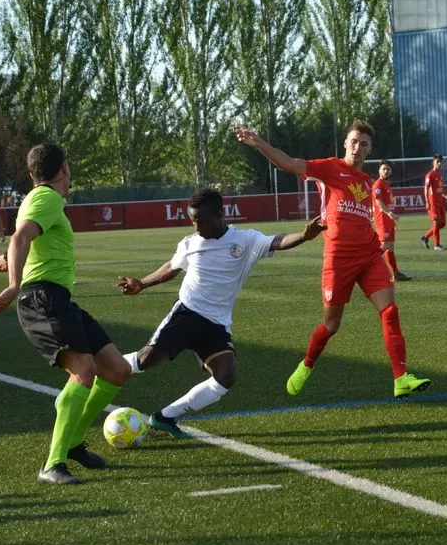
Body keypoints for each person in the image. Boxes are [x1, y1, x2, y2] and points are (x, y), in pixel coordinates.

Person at [235, 120, 432, 399]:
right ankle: (307, 364)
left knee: (389, 311)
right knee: (331, 325)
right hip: (338, 259)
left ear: (369, 150)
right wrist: (260, 144)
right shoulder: (328, 168)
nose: (358, 147)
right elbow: (288, 163)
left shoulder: (366, 180)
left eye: (364, 144)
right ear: (345, 144)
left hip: (369, 254)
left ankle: (401, 378)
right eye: (354, 141)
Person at [116, 187, 327, 437]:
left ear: (220, 214)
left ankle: (164, 417)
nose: (196, 227)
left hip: (216, 324)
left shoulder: (245, 240)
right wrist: (142, 283)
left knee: (225, 376)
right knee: (147, 360)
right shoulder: (191, 243)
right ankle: (102, 368)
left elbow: (277, 241)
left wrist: (304, 235)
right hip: (187, 314)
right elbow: (171, 268)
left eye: (201, 221)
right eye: (193, 221)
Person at [0, 144, 131, 485]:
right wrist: (12, 284)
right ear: (63, 168)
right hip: (42, 299)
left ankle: (73, 443)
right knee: (83, 370)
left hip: (58, 298)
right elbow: (21, 236)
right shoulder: (48, 198)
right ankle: (54, 463)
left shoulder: (40, 201)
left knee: (117, 370)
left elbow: (27, 240)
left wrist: (10, 261)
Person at [372, 159, 412, 282]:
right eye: (383, 169)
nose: (386, 171)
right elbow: (378, 201)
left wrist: (392, 217)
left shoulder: (386, 184)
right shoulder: (378, 184)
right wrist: (389, 213)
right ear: (379, 170)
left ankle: (395, 273)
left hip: (388, 220)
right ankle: (368, 267)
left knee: (390, 248)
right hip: (382, 220)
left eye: (388, 169)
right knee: (384, 246)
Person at [420, 154, 447, 250]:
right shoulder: (430, 175)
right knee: (436, 223)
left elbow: (439, 188)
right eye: (437, 162)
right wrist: (427, 202)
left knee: (443, 223)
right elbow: (426, 189)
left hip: (440, 203)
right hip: (433, 204)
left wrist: (444, 195)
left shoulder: (439, 175)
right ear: (433, 163)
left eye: (441, 162)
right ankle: (437, 245)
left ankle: (425, 237)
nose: (439, 164)